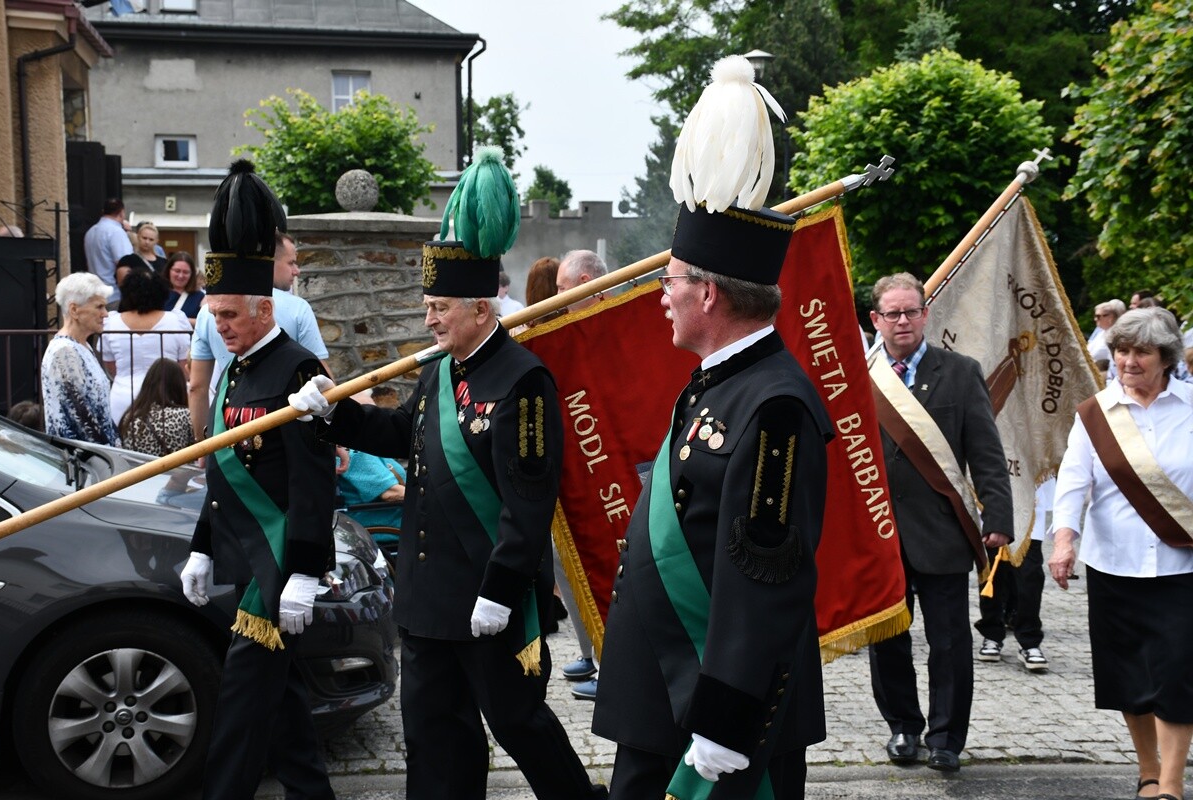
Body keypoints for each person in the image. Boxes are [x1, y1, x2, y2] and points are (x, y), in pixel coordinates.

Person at [290, 146, 606, 800]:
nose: (428, 318)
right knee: (433, 733)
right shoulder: (438, 372)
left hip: (490, 595)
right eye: (428, 305)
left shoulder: (525, 380)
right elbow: (403, 435)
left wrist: (499, 588)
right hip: (431, 595)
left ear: (481, 310)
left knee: (519, 723)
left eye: (439, 307)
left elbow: (529, 500)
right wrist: (335, 414)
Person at [592, 55, 833, 800]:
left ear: (707, 294)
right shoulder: (716, 386)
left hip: (718, 717)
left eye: (668, 283)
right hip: (665, 695)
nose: (660, 298)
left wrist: (724, 722)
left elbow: (765, 579)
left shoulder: (775, 410)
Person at [178, 159, 338, 800]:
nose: (218, 328)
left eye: (228, 316)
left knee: (241, 711)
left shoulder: (297, 370)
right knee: (285, 704)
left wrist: (303, 567)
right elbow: (224, 472)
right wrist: (198, 543)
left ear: (264, 307)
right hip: (248, 557)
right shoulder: (237, 370)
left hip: (276, 571)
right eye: (213, 316)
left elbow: (313, 481)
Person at [867, 271, 1013, 773]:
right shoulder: (857, 377)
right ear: (876, 320)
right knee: (887, 641)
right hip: (880, 535)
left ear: (926, 314)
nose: (903, 320)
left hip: (943, 530)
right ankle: (904, 728)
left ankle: (947, 737)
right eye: (893, 313)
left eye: (911, 311)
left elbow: (986, 452)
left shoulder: (960, 371)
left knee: (950, 641)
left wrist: (998, 516)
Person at [1048, 307, 1193, 800]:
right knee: (1129, 673)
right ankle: (1148, 771)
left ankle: (1171, 783)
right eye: (1122, 351)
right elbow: (1072, 482)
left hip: (1182, 565)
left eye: (1141, 352)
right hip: (1115, 564)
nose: (1128, 361)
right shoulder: (1094, 414)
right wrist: (1064, 538)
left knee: (1178, 673)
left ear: (1166, 357)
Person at [188, 230, 328, 442]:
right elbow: (323, 380)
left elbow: (197, 387)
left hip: (232, 435)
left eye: (230, 315)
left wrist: (201, 445)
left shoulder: (204, 314)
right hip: (275, 434)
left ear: (265, 312)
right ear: (271, 262)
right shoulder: (298, 308)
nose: (296, 271)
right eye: (291, 263)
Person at [975, 478, 1052, 673]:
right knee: (992, 574)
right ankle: (992, 633)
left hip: (1029, 507)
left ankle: (1029, 641)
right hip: (991, 506)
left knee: (1030, 577)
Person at [101, 269, 192, 425]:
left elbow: (110, 366)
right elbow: (184, 366)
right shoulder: (176, 320)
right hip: (167, 399)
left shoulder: (111, 322)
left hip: (122, 398)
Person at [41, 272, 117, 445]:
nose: (105, 314)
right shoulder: (64, 352)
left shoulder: (82, 346)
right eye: (99, 307)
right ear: (74, 310)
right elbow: (82, 418)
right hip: (83, 461)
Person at [336, 389, 407, 550]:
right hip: (389, 532)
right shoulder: (356, 452)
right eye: (370, 413)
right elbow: (390, 494)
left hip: (403, 525)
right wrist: (431, 497)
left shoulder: (371, 447)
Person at [119, 357, 194, 457]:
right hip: (178, 472)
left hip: (139, 472)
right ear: (179, 385)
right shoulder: (185, 416)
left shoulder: (130, 418)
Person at [82, 198, 133, 308]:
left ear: (103, 211)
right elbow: (124, 265)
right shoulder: (116, 232)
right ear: (122, 213)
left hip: (94, 294)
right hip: (114, 296)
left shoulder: (90, 232)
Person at [162, 250, 205, 324]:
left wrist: (175, 320)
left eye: (185, 272)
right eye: (177, 271)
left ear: (192, 274)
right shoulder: (158, 293)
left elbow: (204, 323)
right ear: (169, 270)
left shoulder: (200, 297)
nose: (181, 276)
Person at [1089, 299, 1126, 373]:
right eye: (1095, 316)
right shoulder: (1100, 333)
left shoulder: (1116, 336)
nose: (1095, 319)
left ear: (1111, 317)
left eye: (1098, 316)